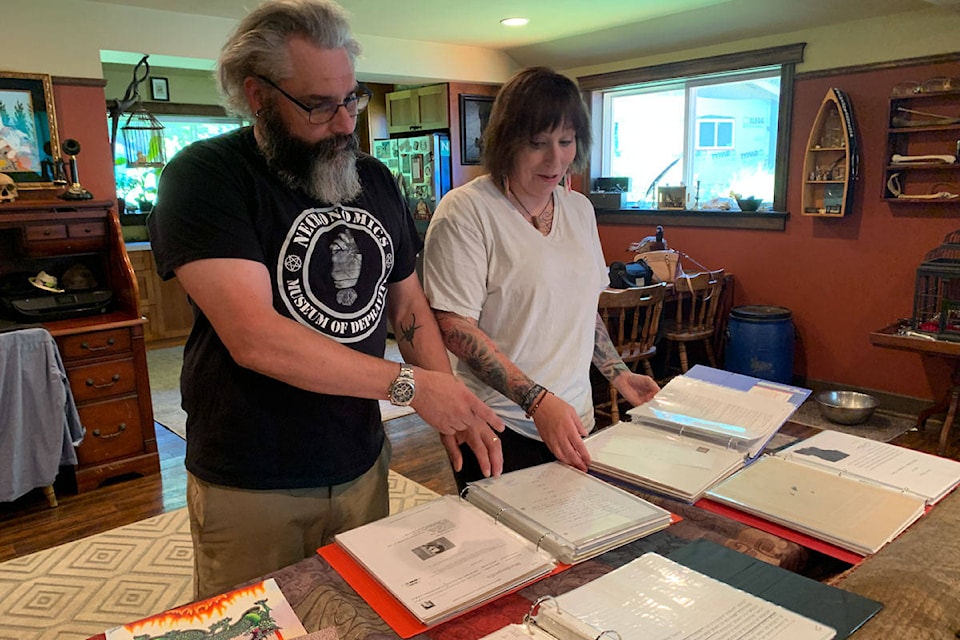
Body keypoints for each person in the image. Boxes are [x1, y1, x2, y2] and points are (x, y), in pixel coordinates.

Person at [147, 0, 504, 600]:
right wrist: (412, 387)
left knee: (360, 612)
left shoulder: (376, 179)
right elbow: (255, 338)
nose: (344, 124)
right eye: (318, 105)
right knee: (255, 622)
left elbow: (409, 310)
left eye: (351, 99)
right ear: (257, 95)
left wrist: (449, 408)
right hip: (253, 474)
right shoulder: (206, 176)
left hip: (361, 458)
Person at [422, 67, 659, 491]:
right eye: (537, 144)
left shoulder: (580, 210)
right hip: (499, 426)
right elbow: (454, 327)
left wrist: (618, 373)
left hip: (573, 419)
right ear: (506, 142)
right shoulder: (466, 212)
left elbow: (581, 304)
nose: (555, 160)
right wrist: (536, 401)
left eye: (565, 142)